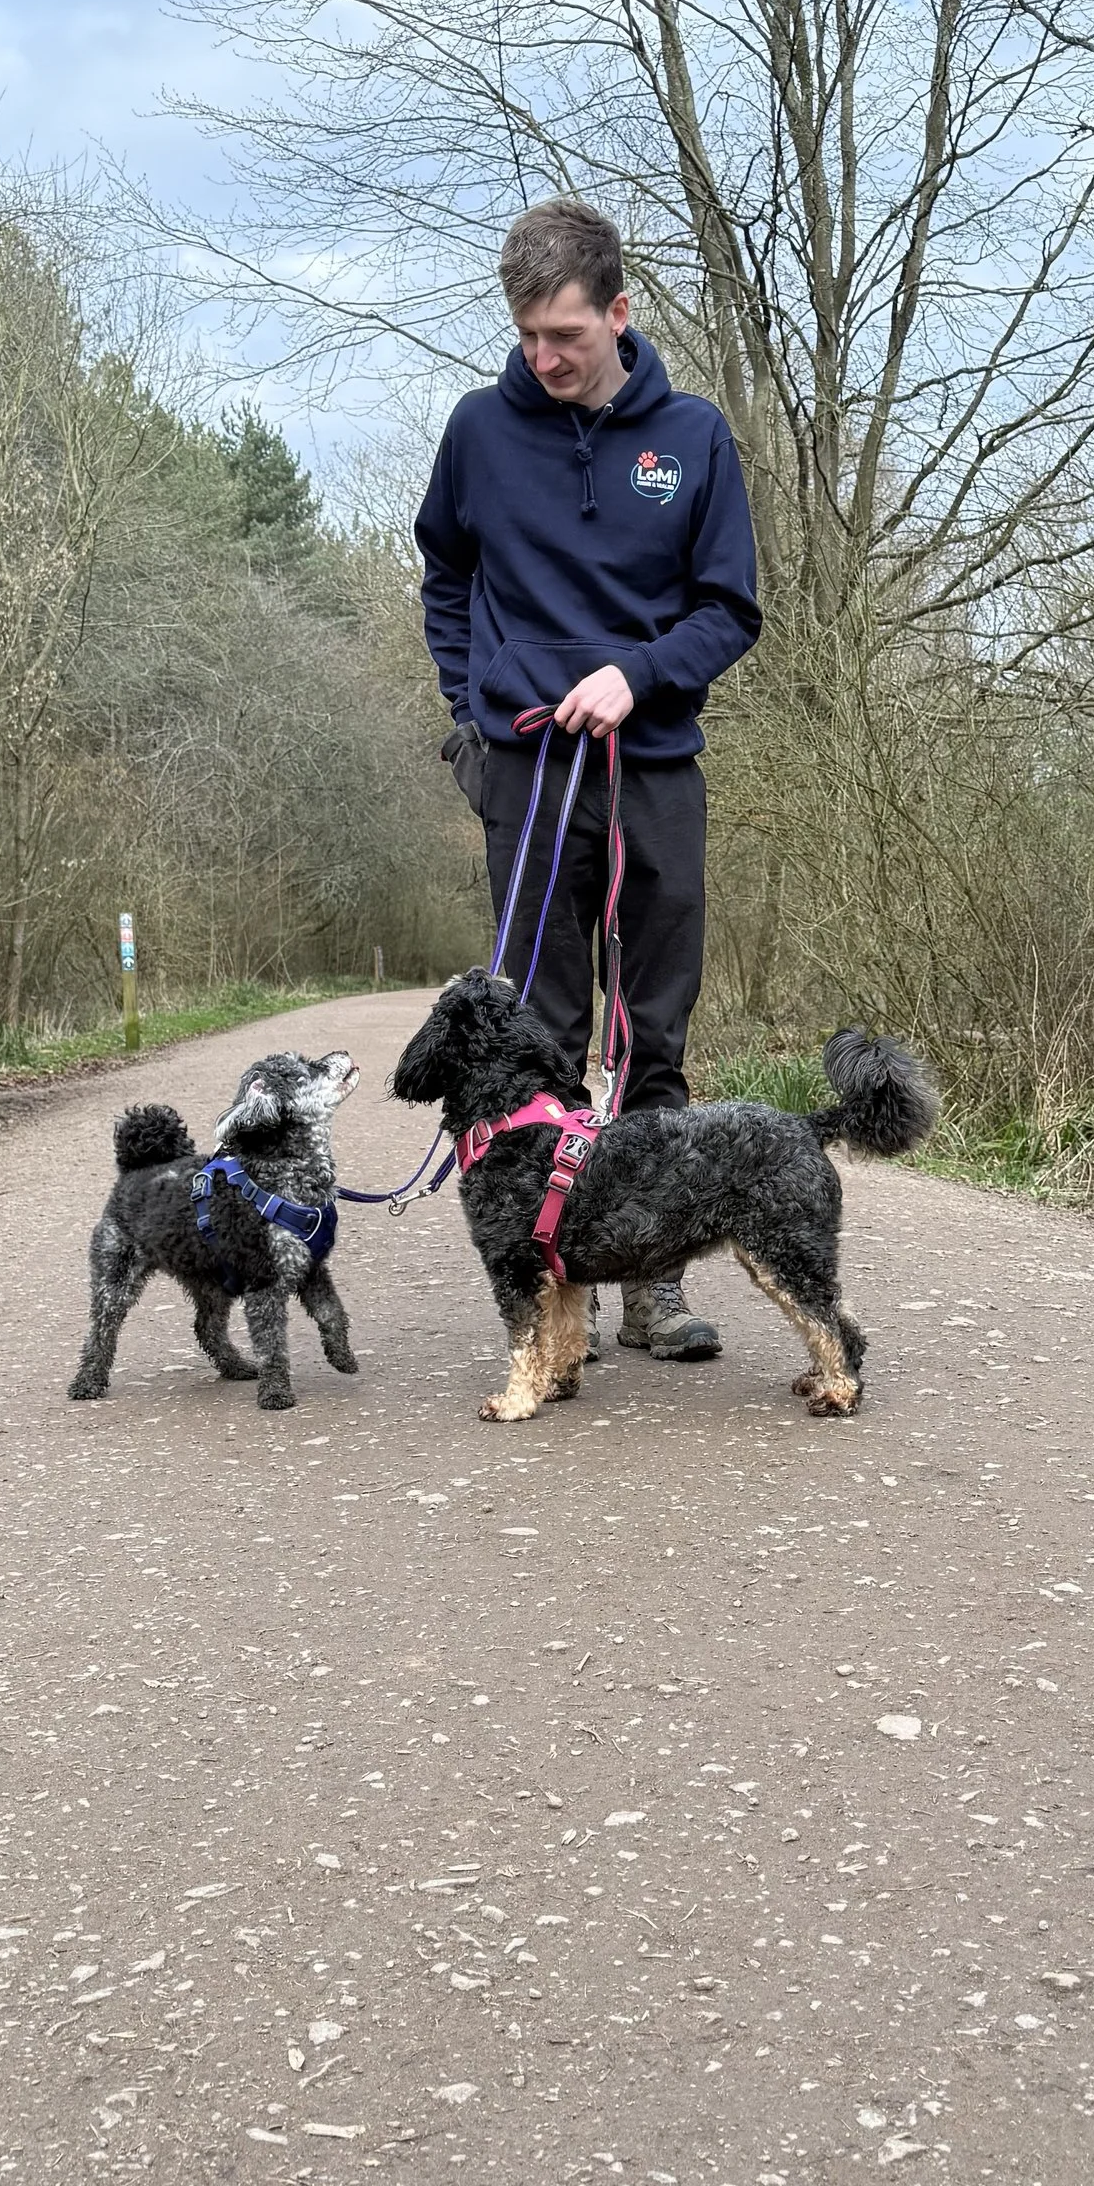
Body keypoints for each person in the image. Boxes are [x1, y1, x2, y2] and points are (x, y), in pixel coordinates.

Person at [417, 195, 760, 1358]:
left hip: (653, 764)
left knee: (650, 1023)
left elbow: (729, 612)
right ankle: (553, 1287)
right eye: (525, 335)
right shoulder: (477, 431)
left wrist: (639, 674)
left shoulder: (694, 438)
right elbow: (446, 579)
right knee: (540, 1035)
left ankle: (654, 1280)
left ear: (620, 312)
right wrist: (473, 714)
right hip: (524, 772)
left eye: (565, 333)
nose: (543, 357)